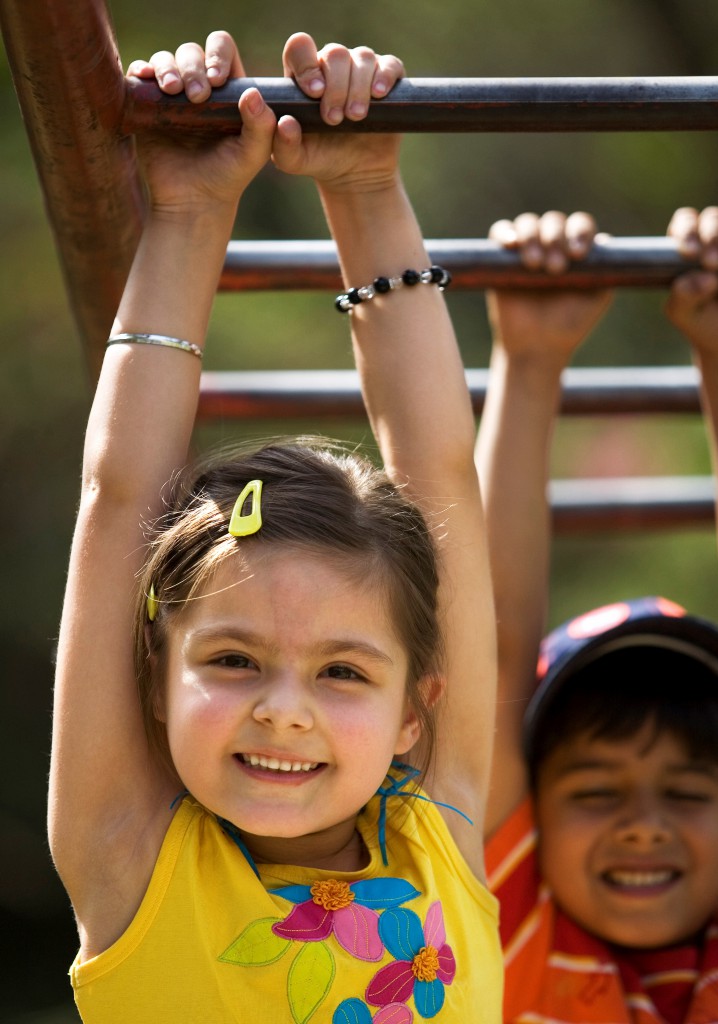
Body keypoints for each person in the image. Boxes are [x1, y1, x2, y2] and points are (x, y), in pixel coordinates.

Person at [49, 30, 502, 1023]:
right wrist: (186, 209)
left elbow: (443, 482)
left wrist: (368, 189)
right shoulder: (131, 857)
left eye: (344, 671)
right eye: (235, 660)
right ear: (157, 680)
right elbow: (121, 496)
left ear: (416, 711)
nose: (283, 710)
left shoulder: (444, 827)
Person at [477, 207, 718, 1022]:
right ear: (532, 818)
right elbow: (490, 657)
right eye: (593, 791)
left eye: (687, 792)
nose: (644, 826)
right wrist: (528, 360)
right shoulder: (508, 945)